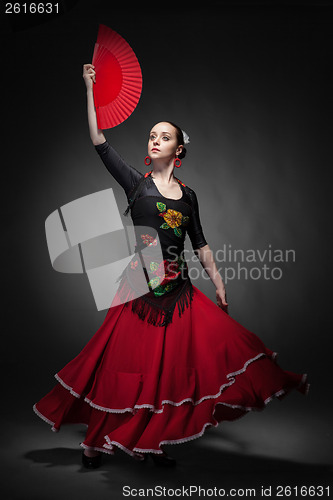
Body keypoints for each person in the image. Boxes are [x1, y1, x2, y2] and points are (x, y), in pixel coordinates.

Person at [33, 63, 309, 469]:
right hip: (137, 289)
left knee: (179, 366)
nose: (156, 139)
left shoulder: (189, 196)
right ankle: (93, 442)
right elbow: (98, 140)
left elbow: (200, 243)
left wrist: (218, 283)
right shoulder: (136, 183)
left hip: (178, 290)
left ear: (178, 150)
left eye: (165, 136)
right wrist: (89, 88)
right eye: (152, 135)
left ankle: (153, 439)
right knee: (122, 369)